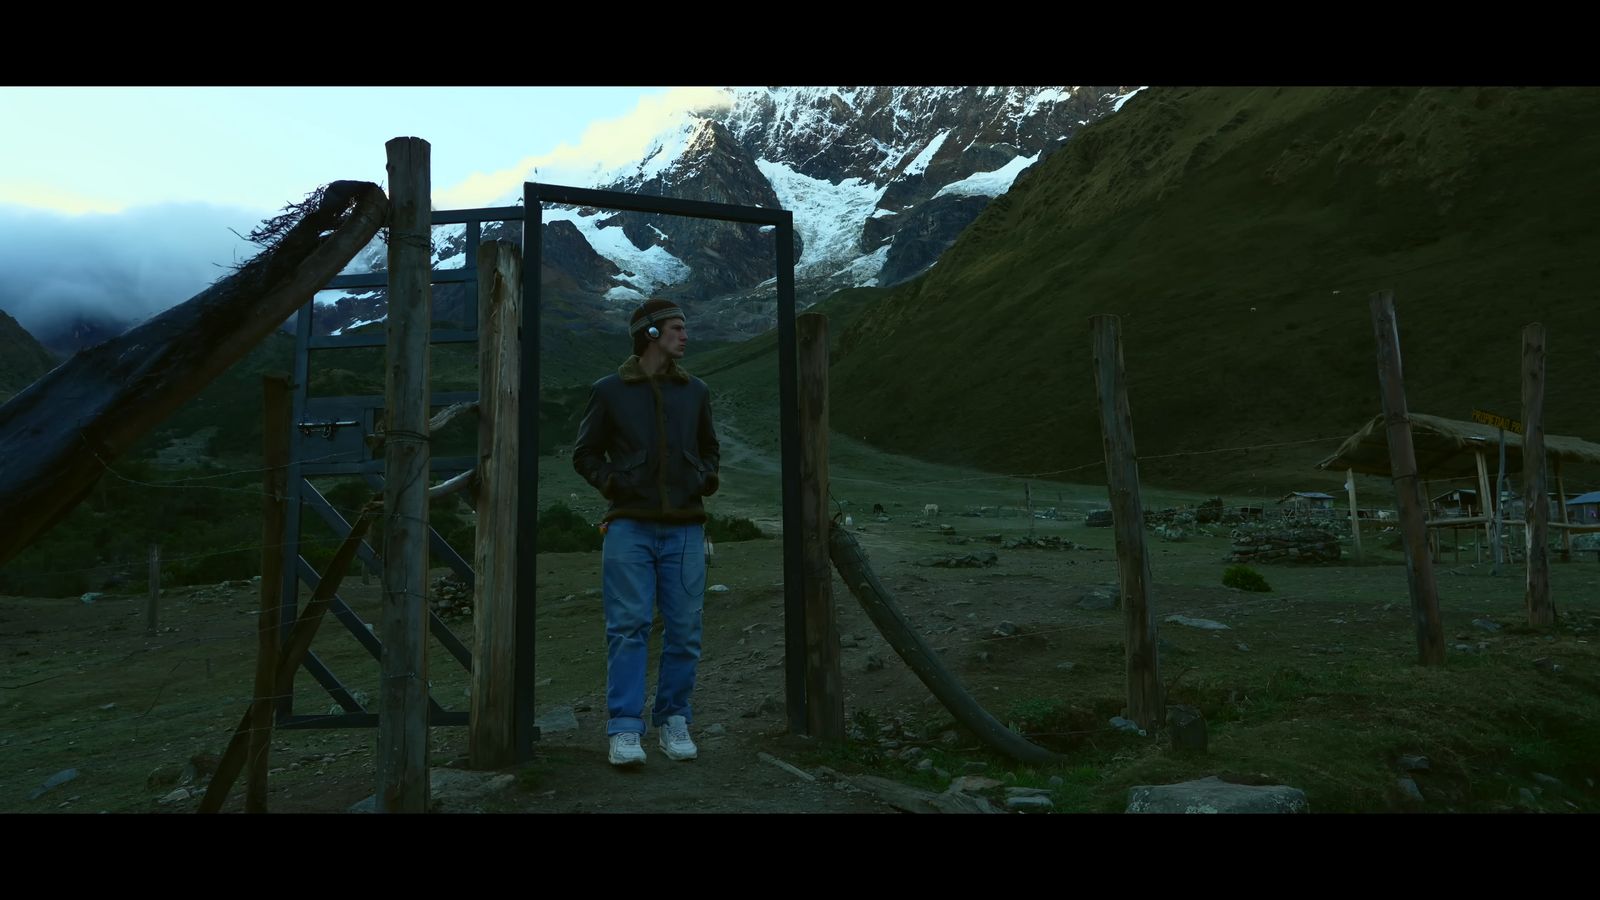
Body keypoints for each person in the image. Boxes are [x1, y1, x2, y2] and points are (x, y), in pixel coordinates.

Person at [572, 298, 721, 767]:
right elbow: (586, 453)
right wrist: (614, 483)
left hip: (684, 529)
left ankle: (674, 720)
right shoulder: (610, 390)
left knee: (685, 631)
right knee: (628, 629)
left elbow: (710, 449)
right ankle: (624, 730)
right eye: (677, 328)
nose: (685, 335)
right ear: (650, 334)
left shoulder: (695, 390)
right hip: (629, 528)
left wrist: (703, 478)